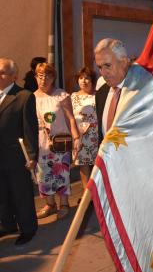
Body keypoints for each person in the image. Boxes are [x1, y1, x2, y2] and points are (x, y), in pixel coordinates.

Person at [34, 63, 80, 221]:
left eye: (47, 76)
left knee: (61, 173)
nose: (44, 79)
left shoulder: (62, 95)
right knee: (44, 175)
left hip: (60, 141)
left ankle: (64, 204)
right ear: (35, 77)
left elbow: (71, 119)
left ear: (53, 78)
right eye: (40, 76)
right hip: (41, 143)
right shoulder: (31, 97)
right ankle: (50, 204)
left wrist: (76, 138)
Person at [0, 58, 38, 245]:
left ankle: (28, 228)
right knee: (2, 194)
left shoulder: (24, 96)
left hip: (16, 157)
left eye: (2, 72)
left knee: (20, 194)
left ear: (14, 75)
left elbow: (29, 129)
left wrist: (32, 156)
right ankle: (7, 224)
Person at [94, 39, 131, 142]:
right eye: (100, 67)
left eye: (107, 65)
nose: (103, 73)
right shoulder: (101, 93)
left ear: (124, 62)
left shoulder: (139, 93)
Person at [71, 67, 100, 192]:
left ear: (92, 80)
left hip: (96, 135)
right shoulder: (73, 96)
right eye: (81, 78)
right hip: (80, 136)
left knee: (97, 164)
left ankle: (97, 192)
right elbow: (70, 117)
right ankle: (86, 194)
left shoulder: (98, 95)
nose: (84, 81)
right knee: (83, 164)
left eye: (87, 78)